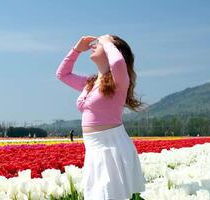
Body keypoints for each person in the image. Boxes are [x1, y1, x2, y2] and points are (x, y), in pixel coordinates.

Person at [55, 34, 146, 200]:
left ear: (113, 50)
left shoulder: (119, 80)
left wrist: (107, 41)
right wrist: (76, 49)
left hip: (111, 146)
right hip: (93, 148)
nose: (95, 43)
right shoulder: (91, 83)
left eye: (101, 42)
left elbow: (118, 63)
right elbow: (62, 74)